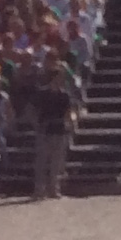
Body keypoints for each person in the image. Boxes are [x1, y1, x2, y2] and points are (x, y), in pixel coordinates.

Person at [29, 59, 76, 201]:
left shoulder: (64, 95)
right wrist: (35, 123)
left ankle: (54, 189)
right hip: (45, 129)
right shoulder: (43, 93)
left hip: (59, 128)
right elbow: (31, 109)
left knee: (56, 162)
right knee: (42, 161)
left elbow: (69, 111)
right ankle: (39, 189)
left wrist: (70, 123)